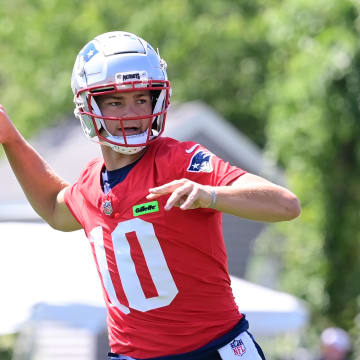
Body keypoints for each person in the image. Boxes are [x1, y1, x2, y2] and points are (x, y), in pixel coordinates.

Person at [0, 31, 301, 360]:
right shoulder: (90, 183)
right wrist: (10, 139)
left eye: (141, 99)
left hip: (212, 351)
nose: (131, 113)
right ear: (88, 105)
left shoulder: (180, 160)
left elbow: (285, 205)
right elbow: (53, 208)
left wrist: (210, 194)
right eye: (116, 101)